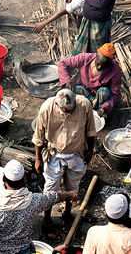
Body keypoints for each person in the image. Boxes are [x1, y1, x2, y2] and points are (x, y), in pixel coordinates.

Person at [33, 88, 96, 231]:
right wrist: (38, 158)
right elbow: (38, 136)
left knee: (73, 186)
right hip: (54, 154)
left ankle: (67, 212)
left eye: (72, 110)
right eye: (66, 111)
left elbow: (90, 131)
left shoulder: (84, 105)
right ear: (58, 105)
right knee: (50, 188)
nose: (70, 113)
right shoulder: (47, 108)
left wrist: (90, 150)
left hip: (77, 152)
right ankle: (47, 217)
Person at [0, 160, 78, 252]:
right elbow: (53, 198)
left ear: (3, 179)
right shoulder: (33, 201)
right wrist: (70, 194)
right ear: (24, 180)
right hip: (23, 250)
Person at [57, 45, 122, 116]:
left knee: (104, 91)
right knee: (77, 89)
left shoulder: (115, 70)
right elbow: (62, 63)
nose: (99, 68)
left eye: (104, 66)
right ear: (96, 56)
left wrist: (105, 108)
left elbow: (115, 94)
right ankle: (80, 111)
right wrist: (67, 81)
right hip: (84, 93)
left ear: (109, 64)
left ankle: (99, 113)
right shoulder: (85, 58)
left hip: (100, 98)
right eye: (98, 64)